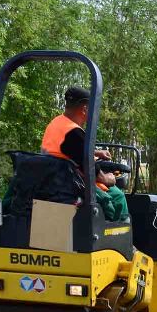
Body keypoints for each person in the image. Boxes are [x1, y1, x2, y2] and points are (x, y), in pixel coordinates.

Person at [41, 86, 127, 221]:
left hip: (53, 180)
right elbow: (94, 173)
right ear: (85, 109)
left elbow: (64, 149)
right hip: (71, 184)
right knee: (117, 195)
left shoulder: (56, 123)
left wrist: (95, 152)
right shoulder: (74, 132)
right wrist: (110, 178)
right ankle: (123, 237)